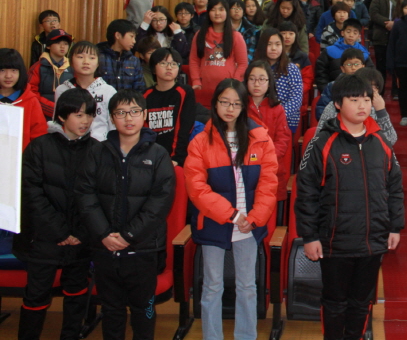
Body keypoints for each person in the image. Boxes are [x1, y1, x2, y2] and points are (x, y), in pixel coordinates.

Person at [295, 73, 405, 340]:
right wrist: (309, 236)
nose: (362, 105)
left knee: (361, 302)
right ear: (337, 104)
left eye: (366, 99)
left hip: (372, 240)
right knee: (334, 303)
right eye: (354, 100)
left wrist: (395, 227)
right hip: (335, 242)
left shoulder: (381, 142)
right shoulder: (322, 143)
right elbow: (306, 193)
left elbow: (395, 188)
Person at [76, 89, 175, 340]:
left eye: (134, 112)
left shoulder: (158, 154)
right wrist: (103, 234)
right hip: (104, 248)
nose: (128, 118)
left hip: (143, 249)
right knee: (111, 309)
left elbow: (160, 202)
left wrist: (129, 235)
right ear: (111, 118)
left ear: (144, 115)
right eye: (121, 113)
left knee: (144, 310)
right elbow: (85, 195)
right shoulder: (97, 153)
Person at [185, 78, 278, 340]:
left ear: (244, 106)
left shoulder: (260, 138)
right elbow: (197, 188)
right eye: (224, 102)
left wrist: (255, 218)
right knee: (212, 286)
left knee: (247, 286)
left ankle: (246, 336)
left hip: (249, 224)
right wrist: (232, 214)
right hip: (215, 221)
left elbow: (268, 184)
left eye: (236, 104)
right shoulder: (200, 141)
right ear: (215, 104)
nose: (230, 109)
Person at [14, 89, 98, 340]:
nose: (85, 121)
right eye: (78, 115)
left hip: (81, 238)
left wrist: (81, 232)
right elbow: (31, 194)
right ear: (61, 116)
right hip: (44, 238)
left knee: (76, 292)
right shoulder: (39, 147)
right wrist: (60, 232)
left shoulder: (98, 150)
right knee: (36, 295)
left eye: (89, 115)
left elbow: (101, 198)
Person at [244, 61, 292, 205]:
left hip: (271, 167)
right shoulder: (240, 107)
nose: (256, 84)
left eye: (262, 79)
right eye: (252, 79)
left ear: (269, 83)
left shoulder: (277, 109)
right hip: (245, 166)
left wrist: (265, 159)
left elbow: (282, 141)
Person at [189, 0, 249, 109]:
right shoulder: (199, 35)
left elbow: (243, 63)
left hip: (228, 92)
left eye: (221, 9)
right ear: (208, 13)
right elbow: (194, 60)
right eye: (213, 9)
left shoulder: (236, 36)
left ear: (227, 12)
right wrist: (196, 80)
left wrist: (234, 84)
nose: (217, 13)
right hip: (204, 90)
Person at [314, 67, 397, 147]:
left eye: (376, 87)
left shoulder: (378, 107)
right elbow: (319, 139)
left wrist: (381, 111)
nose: (372, 90)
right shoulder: (335, 105)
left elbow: (390, 140)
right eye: (369, 86)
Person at [143, 48, 196, 166]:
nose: (169, 67)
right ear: (153, 68)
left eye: (174, 64)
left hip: (176, 158)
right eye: (163, 63)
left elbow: (185, 128)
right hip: (150, 158)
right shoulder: (145, 96)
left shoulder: (185, 92)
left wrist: (177, 158)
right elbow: (144, 130)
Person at [55, 42, 116, 141]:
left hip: (100, 145)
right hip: (68, 144)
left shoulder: (108, 91)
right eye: (80, 57)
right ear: (71, 61)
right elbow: (57, 122)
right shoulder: (62, 90)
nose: (86, 62)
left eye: (92, 58)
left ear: (98, 63)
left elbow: (113, 125)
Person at [253, 28, 302, 133]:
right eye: (269, 44)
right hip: (258, 118)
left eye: (277, 44)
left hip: (285, 119)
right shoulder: (255, 69)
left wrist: (277, 115)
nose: (273, 48)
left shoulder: (291, 69)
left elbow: (296, 99)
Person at [1, 47, 48, 149]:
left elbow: (39, 136)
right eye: (2, 70)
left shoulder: (31, 100)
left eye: (14, 70)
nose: (8, 76)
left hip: (23, 157)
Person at [369, 0, 405, 95]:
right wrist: (387, 23)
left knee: (397, 65)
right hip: (381, 35)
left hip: (399, 35)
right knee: (381, 66)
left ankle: (396, 91)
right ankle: (380, 91)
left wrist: (395, 24)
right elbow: (373, 13)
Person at [28, 28, 74, 120]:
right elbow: (31, 92)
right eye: (58, 43)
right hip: (41, 115)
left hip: (66, 116)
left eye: (66, 44)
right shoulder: (38, 67)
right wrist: (51, 108)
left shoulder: (72, 67)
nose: (62, 46)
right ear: (48, 46)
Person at [98, 19, 146, 92]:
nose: (134, 41)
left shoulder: (134, 61)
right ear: (118, 35)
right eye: (131, 36)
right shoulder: (99, 57)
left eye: (135, 37)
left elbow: (140, 89)